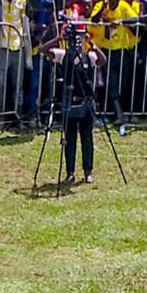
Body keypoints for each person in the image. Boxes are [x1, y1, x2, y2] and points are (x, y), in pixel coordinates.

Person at [50, 28, 103, 185]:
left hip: (86, 102)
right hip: (70, 102)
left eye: (79, 41)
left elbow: (103, 60)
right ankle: (70, 172)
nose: (77, 45)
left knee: (87, 138)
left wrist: (92, 44)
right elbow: (43, 50)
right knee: (70, 138)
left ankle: (88, 171)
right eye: (75, 41)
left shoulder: (89, 56)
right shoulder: (63, 55)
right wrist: (58, 39)